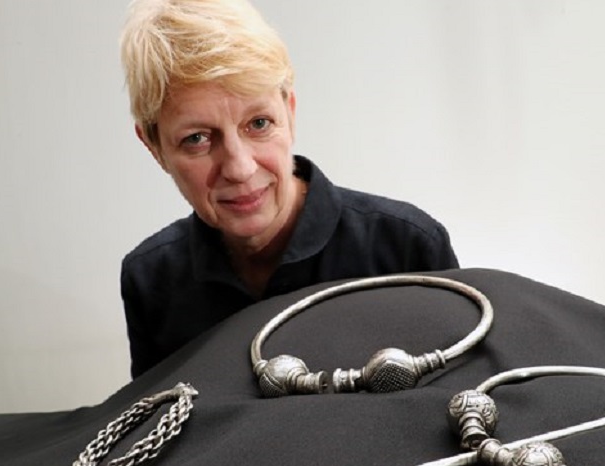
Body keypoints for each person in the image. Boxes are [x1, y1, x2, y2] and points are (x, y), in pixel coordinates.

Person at [118, 0, 459, 378]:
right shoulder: (150, 280)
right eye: (197, 138)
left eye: (259, 123)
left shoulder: (407, 247)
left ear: (290, 113)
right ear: (155, 148)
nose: (240, 168)